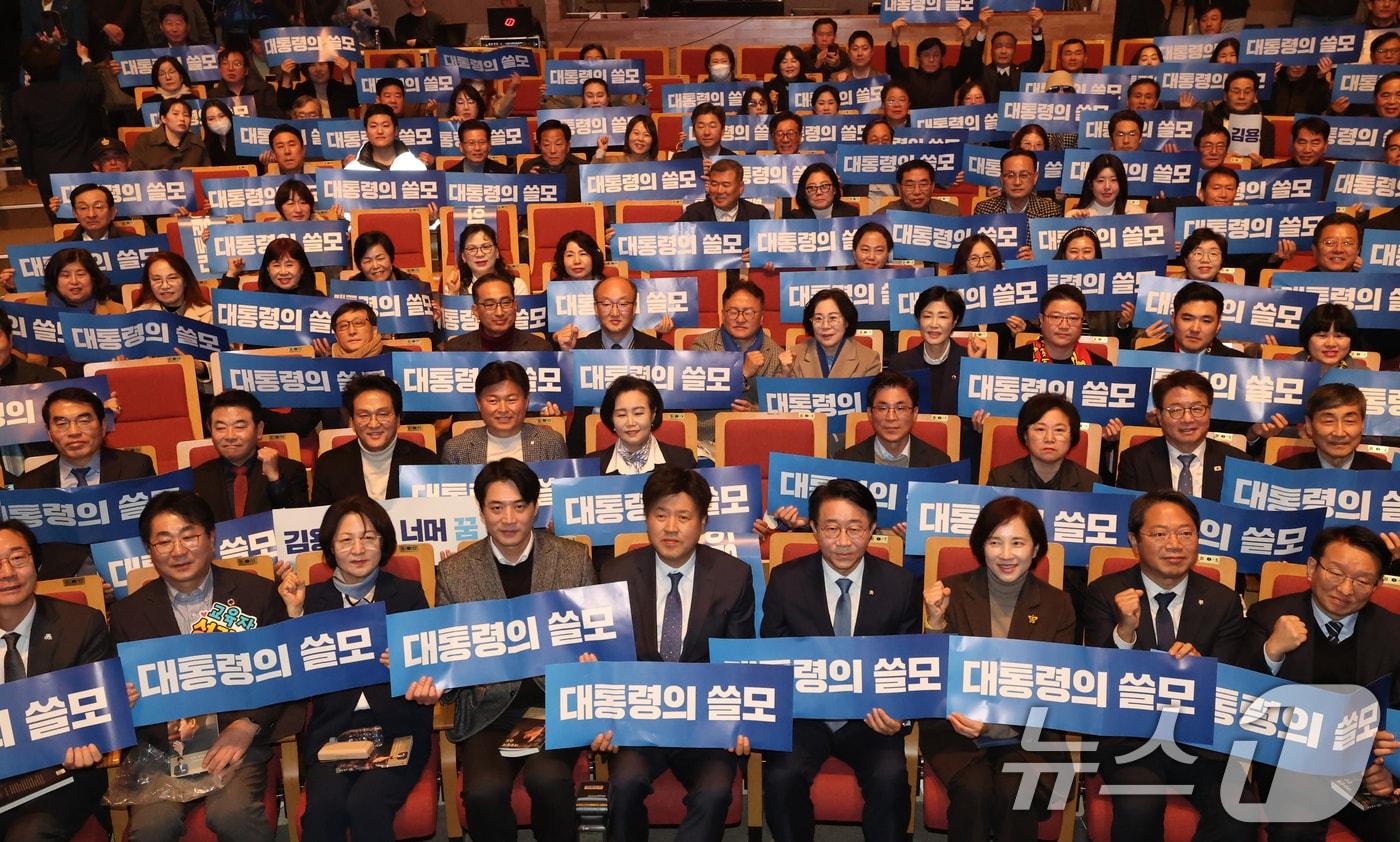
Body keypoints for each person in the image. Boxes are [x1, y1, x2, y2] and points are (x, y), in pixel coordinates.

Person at [407, 459, 593, 842]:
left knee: (549, 779)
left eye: (519, 506)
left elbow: (593, 637)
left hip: (555, 706)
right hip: (489, 711)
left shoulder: (573, 559)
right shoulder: (456, 572)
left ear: (535, 508)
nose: (509, 518)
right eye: (496, 507)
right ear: (481, 511)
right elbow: (449, 653)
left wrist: (589, 665)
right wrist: (434, 682)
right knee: (482, 792)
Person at [111, 490, 298, 842]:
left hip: (238, 740)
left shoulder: (256, 594)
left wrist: (248, 724)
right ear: (149, 552)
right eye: (163, 542)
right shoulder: (128, 614)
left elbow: (284, 670)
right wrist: (135, 709)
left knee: (232, 814)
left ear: (212, 538)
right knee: (150, 828)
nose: (178, 551)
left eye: (189, 536)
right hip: (165, 752)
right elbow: (122, 694)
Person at [596, 466, 756, 842]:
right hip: (639, 723)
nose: (671, 528)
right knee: (625, 783)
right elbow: (606, 661)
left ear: (702, 522)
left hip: (705, 724)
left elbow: (738, 661)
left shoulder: (733, 576)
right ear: (646, 518)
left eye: (683, 517)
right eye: (660, 515)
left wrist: (741, 723)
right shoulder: (614, 573)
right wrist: (600, 717)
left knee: (715, 791)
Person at [1082, 490, 1253, 842]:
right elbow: (1091, 681)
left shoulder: (1223, 601)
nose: (1174, 544)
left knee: (1239, 811)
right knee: (1139, 805)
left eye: (1186, 533)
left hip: (1198, 741)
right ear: (1134, 541)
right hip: (1130, 739)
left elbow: (1230, 682)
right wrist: (1124, 633)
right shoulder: (1105, 593)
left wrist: (1200, 671)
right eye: (1159, 534)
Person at [761, 479, 921, 842]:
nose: (844, 541)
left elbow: (908, 662)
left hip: (871, 717)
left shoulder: (900, 585)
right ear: (814, 529)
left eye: (855, 528)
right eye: (831, 529)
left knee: (890, 777)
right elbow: (772, 652)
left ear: (873, 529)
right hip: (805, 716)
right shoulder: (786, 581)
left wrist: (899, 715)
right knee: (782, 777)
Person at [272, 496, 433, 841]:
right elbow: (291, 678)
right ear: (330, 547)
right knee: (323, 811)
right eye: (346, 540)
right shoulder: (308, 600)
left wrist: (412, 670)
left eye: (369, 537)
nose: (358, 549)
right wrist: (296, 617)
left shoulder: (407, 594)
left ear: (383, 543)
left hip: (397, 730)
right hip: (333, 733)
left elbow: (429, 667)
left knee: (367, 804)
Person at [921, 497, 1076, 842]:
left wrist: (997, 724)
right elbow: (932, 673)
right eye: (995, 542)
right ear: (980, 546)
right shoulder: (953, 591)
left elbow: (1058, 688)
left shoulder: (1057, 604)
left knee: (1013, 791)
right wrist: (934, 622)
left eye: (1018, 542)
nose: (1006, 554)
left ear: (1036, 548)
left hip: (1028, 735)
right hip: (956, 730)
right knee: (974, 791)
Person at [1241, 525, 1400, 841]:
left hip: (1361, 770)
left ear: (1377, 585)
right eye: (1336, 573)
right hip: (1291, 765)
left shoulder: (1392, 632)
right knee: (1295, 831)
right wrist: (1272, 651)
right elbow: (1240, 697)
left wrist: (1388, 770)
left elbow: (1396, 710)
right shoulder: (1268, 616)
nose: (1345, 588)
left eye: (1362, 580)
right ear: (1312, 568)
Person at [0, 519, 115, 840]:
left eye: (17, 558)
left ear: (36, 564)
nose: (7, 572)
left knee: (29, 834)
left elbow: (100, 713)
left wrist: (93, 737)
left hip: (62, 776)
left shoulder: (81, 625)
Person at [15, 387, 150, 579]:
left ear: (103, 426)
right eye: (61, 423)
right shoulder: (29, 486)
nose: (74, 432)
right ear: (49, 434)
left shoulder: (136, 469)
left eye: (84, 420)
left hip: (129, 579)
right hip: (62, 592)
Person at [1115, 370, 1251, 500]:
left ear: (1209, 412)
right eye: (1176, 410)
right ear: (1159, 416)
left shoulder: (1238, 463)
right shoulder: (1135, 461)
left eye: (1197, 409)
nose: (1187, 419)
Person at [310, 374, 439, 505]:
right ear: (352, 421)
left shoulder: (426, 462)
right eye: (364, 415)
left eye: (382, 414)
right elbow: (323, 521)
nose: (373, 424)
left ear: (398, 419)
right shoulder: (329, 465)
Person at [11, 38, 104, 215]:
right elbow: (97, 90)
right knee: (88, 214)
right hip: (81, 164)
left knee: (59, 220)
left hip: (46, 169)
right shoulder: (75, 90)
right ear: (58, 65)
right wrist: (85, 59)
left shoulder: (21, 98)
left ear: (27, 69)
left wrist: (29, 172)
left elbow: (23, 139)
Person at [194, 389, 309, 521]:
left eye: (239, 427)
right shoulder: (197, 478)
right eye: (220, 428)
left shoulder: (290, 471)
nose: (229, 436)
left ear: (259, 429)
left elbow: (300, 524)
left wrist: (275, 480)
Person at [689, 281, 786, 418]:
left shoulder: (777, 355)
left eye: (748, 312)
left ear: (762, 317)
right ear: (723, 314)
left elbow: (780, 412)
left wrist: (755, 412)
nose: (740, 319)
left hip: (758, 433)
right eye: (733, 312)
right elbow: (693, 399)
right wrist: (742, 374)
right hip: (709, 434)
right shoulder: (703, 346)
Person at [441, 361, 567, 464]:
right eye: (493, 401)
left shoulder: (551, 443)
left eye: (511, 400)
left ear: (526, 402)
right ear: (479, 404)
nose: (503, 409)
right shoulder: (456, 449)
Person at [888, 286, 987, 416]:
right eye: (927, 316)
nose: (934, 324)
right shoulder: (900, 363)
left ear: (954, 321)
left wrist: (973, 367)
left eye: (943, 317)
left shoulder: (970, 361)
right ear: (919, 319)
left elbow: (975, 412)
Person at [835, 370, 950, 467]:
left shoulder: (938, 464)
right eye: (882, 408)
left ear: (915, 413)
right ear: (870, 413)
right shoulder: (846, 462)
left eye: (900, 408)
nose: (891, 417)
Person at [987, 393, 1101, 490]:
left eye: (1059, 430)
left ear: (1071, 436)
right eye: (1040, 429)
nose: (1049, 439)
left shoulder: (1090, 484)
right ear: (1025, 435)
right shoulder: (1000, 479)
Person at [588, 376, 697, 474]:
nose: (630, 422)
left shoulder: (683, 461)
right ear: (611, 419)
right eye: (621, 415)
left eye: (638, 413)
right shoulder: (590, 466)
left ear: (653, 414)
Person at [1276, 383, 1388, 470]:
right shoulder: (1283, 476)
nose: (1339, 433)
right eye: (1328, 421)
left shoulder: (1388, 476)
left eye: (1349, 421)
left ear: (1363, 424)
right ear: (1309, 426)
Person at [781, 289, 882, 378]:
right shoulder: (795, 356)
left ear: (846, 321)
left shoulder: (869, 359)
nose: (825, 326)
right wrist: (786, 374)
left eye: (833, 318)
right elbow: (787, 396)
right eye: (818, 318)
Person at [1006, 285, 1113, 366]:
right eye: (1056, 317)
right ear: (1041, 319)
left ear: (1082, 321)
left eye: (1073, 318)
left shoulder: (1101, 368)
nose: (1064, 326)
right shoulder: (1014, 362)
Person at [442, 275, 550, 352]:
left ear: (515, 306)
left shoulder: (540, 348)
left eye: (506, 302)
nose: (499, 312)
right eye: (489, 305)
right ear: (475, 311)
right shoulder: (455, 349)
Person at [1139, 281, 1245, 356]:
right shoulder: (1143, 359)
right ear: (1173, 319)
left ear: (1218, 326)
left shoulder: (1240, 365)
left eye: (1206, 321)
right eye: (1187, 319)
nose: (1195, 329)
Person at [886, 20, 963, 108]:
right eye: (926, 55)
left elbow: (966, 65)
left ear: (941, 58)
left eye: (936, 55)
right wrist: (894, 37)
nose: (931, 59)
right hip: (915, 121)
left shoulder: (950, 75)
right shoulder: (910, 75)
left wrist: (966, 36)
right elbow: (893, 67)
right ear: (919, 59)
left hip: (943, 121)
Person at [973, 149, 1062, 219]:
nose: (1017, 182)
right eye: (1010, 175)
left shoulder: (1051, 212)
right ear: (1001, 179)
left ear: (1035, 178)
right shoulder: (984, 210)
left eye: (1024, 175)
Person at [442, 225, 528, 297]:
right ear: (463, 257)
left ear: (497, 252)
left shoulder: (516, 286)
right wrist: (454, 295)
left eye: (486, 247)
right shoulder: (454, 287)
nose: (480, 254)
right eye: (472, 249)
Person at [129, 94, 208, 170]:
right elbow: (135, 173)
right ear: (163, 119)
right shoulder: (145, 141)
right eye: (175, 114)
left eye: (186, 115)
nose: (182, 118)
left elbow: (203, 174)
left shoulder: (197, 144)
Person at [132, 251, 212, 322]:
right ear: (149, 283)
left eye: (172, 278)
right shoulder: (137, 316)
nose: (165, 286)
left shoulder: (210, 315)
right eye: (157, 279)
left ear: (185, 281)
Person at [680, 158, 771, 221]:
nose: (719, 191)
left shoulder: (757, 215)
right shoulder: (694, 213)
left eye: (726, 185)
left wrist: (755, 249)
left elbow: (768, 246)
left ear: (740, 187)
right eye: (714, 184)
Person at [519, 120, 586, 202]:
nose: (553, 150)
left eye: (558, 144)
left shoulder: (583, 169)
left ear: (568, 146)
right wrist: (530, 182)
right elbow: (520, 205)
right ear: (539, 146)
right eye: (546, 145)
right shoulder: (528, 168)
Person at [346, 104, 428, 171]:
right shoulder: (353, 169)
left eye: (385, 125)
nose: (380, 131)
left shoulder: (416, 167)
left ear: (396, 130)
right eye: (373, 126)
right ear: (366, 132)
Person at [209, 46, 281, 118]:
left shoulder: (264, 90)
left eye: (236, 64)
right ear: (219, 69)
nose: (230, 68)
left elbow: (275, 119)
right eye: (225, 64)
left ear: (246, 70)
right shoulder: (213, 96)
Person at [1286, 303, 1359, 372]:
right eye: (1322, 336)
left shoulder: (1364, 376)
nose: (1331, 344)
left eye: (1339, 336)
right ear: (1307, 338)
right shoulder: (1285, 370)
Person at [275, 59, 356, 118]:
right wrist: (286, 76)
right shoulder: (302, 88)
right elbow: (283, 105)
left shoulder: (338, 88)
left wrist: (345, 71)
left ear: (329, 67)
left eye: (322, 64)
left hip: (337, 131)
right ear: (306, 69)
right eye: (312, 65)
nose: (318, 69)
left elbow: (353, 102)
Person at [1267, 116, 1334, 184]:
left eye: (1315, 143)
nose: (1307, 150)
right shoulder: (1271, 173)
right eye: (1302, 142)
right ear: (1292, 143)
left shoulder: (1334, 174)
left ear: (1325, 145)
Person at [61, 183, 134, 241]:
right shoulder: (62, 247)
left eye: (98, 207)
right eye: (83, 208)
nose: (91, 215)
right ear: (74, 213)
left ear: (112, 212)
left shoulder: (135, 242)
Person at [786, 162, 858, 218]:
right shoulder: (795, 218)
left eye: (824, 186)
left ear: (834, 190)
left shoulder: (850, 215)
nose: (819, 192)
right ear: (804, 193)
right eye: (812, 188)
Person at [1069, 152, 1130, 217]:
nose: (1107, 187)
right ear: (1090, 184)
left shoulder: (1135, 214)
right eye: (1100, 181)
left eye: (1113, 180)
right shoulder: (1074, 216)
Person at [448, 119, 513, 174]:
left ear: (489, 145)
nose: (477, 148)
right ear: (461, 147)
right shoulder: (449, 175)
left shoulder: (505, 174)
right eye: (471, 143)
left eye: (482, 142)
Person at [347, 231, 417, 282]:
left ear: (391, 257)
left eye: (380, 258)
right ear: (359, 265)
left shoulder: (411, 283)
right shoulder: (351, 288)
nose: (375, 266)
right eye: (367, 261)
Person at [200, 99, 242, 166]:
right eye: (211, 119)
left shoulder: (243, 137)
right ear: (205, 123)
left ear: (228, 115)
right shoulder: (207, 146)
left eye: (222, 116)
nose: (218, 122)